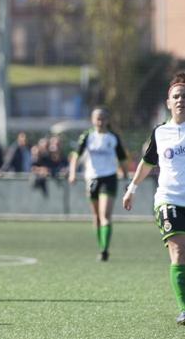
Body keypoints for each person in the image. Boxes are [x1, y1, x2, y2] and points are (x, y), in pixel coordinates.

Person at [123, 72, 185, 325]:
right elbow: (147, 164)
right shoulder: (160, 133)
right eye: (176, 96)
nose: (181, 100)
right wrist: (131, 189)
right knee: (179, 251)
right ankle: (184, 309)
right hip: (168, 200)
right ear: (168, 102)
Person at [69, 107, 128, 261]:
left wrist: (125, 175)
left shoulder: (113, 137)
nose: (100, 121)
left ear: (107, 121)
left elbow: (122, 158)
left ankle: (104, 249)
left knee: (105, 215)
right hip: (92, 179)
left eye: (103, 118)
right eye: (98, 118)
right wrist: (73, 173)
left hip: (109, 178)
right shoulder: (87, 136)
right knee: (96, 217)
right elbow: (76, 155)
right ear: (92, 120)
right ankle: (100, 245)